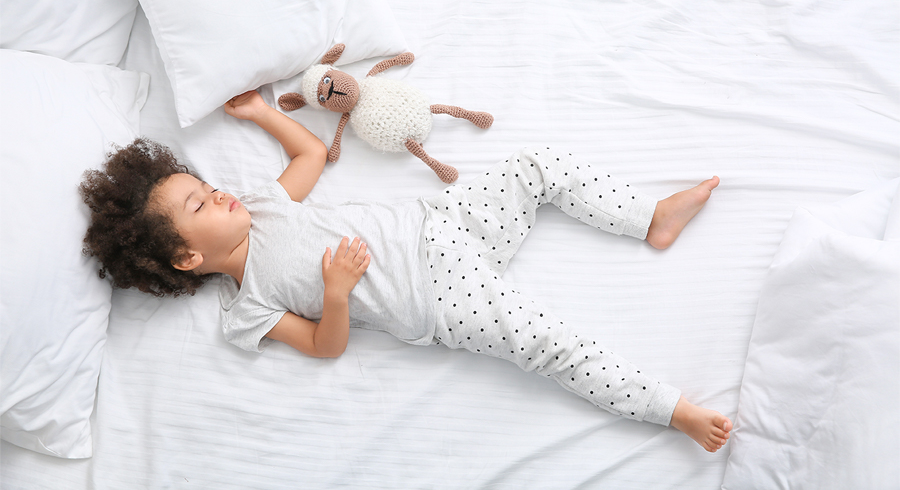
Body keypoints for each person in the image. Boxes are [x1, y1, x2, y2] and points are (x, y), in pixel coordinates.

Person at [81, 89, 732, 452]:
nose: (218, 193)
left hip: (441, 222)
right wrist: (335, 295)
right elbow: (322, 347)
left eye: (204, 184)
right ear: (188, 257)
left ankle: (648, 218)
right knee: (552, 345)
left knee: (536, 165)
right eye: (199, 204)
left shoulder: (263, 204)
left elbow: (310, 150)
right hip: (438, 297)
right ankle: (669, 409)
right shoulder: (247, 305)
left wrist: (260, 114)